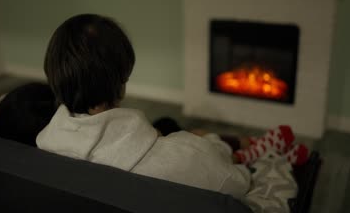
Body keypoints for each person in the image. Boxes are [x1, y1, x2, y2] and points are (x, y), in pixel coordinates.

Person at [35, 14, 308, 199]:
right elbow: (237, 184)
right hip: (213, 159)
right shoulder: (183, 158)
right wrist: (215, 150)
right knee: (205, 138)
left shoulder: (43, 148)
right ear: (122, 79)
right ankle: (251, 146)